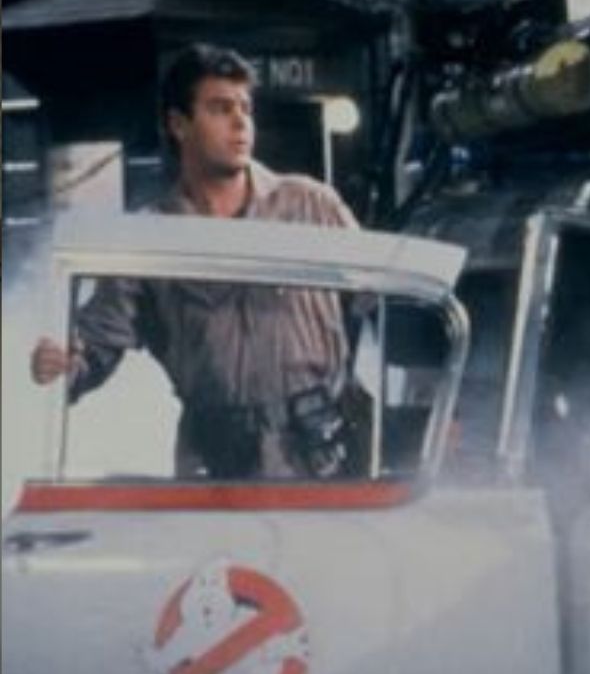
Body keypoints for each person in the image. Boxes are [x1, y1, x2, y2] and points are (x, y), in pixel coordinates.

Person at [29, 43, 366, 479]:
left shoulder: (311, 206)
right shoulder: (150, 238)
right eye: (221, 108)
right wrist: (61, 364)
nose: (241, 122)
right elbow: (95, 346)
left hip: (323, 456)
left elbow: (381, 300)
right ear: (179, 124)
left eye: (245, 108)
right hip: (217, 463)